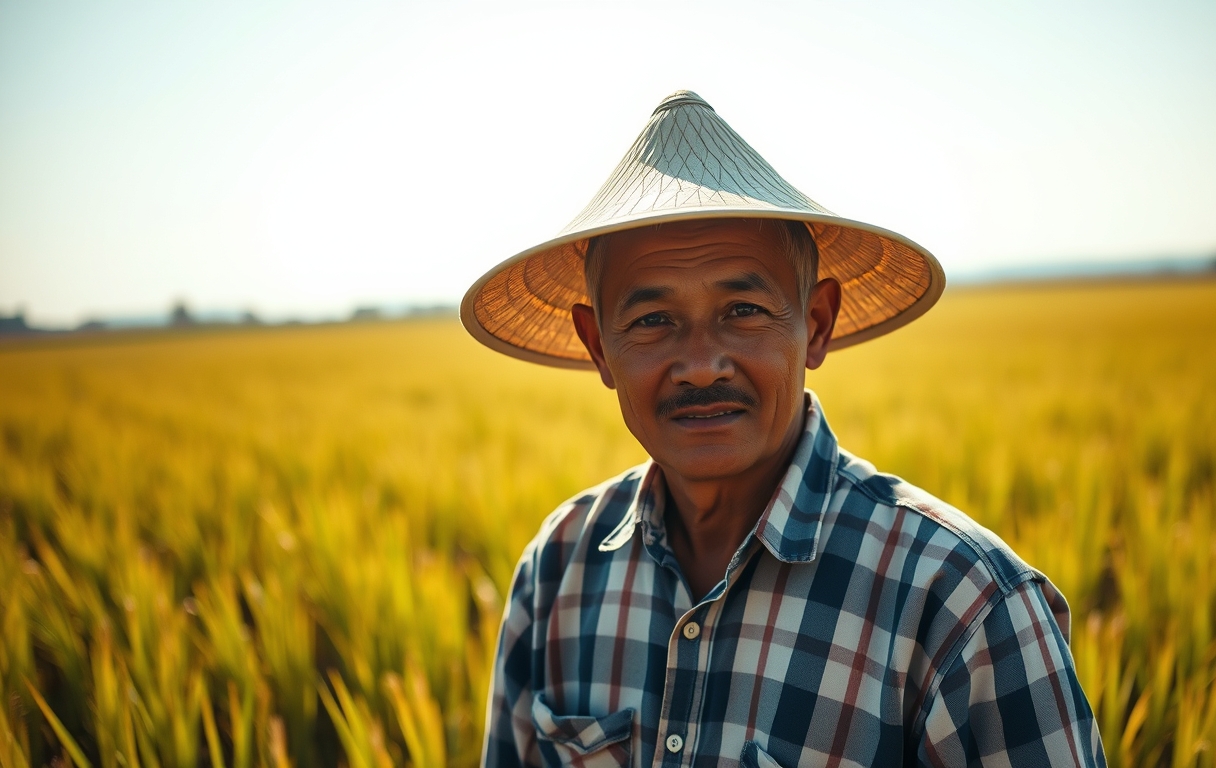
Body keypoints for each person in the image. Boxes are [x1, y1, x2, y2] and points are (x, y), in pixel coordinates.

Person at [462, 91, 1106, 767]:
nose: (702, 364)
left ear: (817, 324)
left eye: (743, 310)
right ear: (599, 347)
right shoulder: (558, 566)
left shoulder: (962, 605)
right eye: (653, 320)